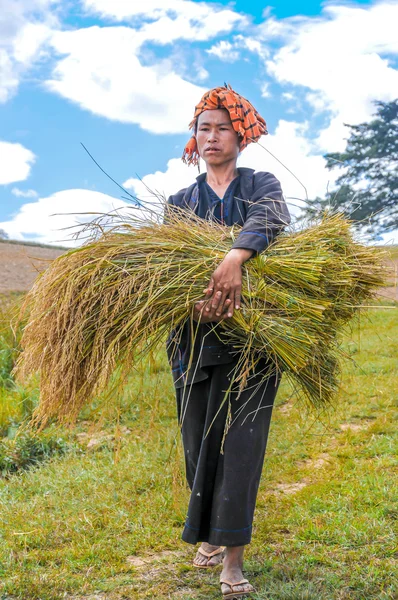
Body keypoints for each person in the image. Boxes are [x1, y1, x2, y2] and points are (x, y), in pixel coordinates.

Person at [166, 85, 291, 599]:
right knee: (199, 446)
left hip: (255, 343)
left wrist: (234, 259)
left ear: (240, 135)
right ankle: (209, 537)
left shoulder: (261, 184)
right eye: (203, 128)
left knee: (241, 446)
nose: (212, 136)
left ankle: (231, 559)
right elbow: (169, 271)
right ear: (194, 139)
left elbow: (271, 220)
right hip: (194, 341)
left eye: (221, 127)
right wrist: (196, 302)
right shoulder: (181, 204)